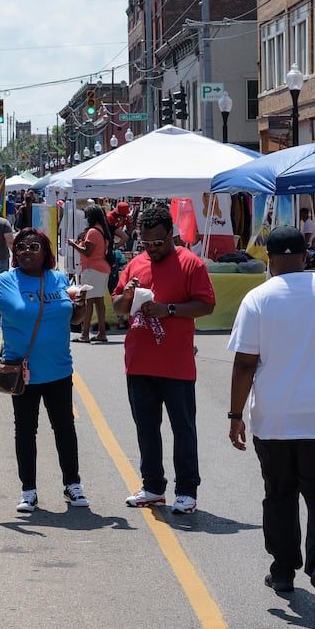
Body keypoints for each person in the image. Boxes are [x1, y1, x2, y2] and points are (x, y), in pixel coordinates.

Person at [228, 226, 315, 606]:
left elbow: (244, 364)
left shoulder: (258, 299)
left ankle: (283, 569)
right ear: (306, 257)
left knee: (280, 493)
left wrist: (234, 414)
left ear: (269, 259)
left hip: (274, 419)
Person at [0, 227, 86, 513]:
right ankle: (28, 490)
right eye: (21, 247)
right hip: (23, 372)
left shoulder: (58, 279)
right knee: (26, 430)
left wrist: (79, 305)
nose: (26, 251)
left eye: (34, 246)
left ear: (45, 252)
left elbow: (75, 320)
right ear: (14, 253)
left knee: (64, 428)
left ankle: (72, 484)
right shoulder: (5, 281)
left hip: (58, 370)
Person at [110, 205, 216, 514]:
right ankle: (153, 487)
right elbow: (117, 307)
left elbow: (206, 306)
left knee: (182, 428)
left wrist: (169, 310)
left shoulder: (191, 264)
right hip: (139, 363)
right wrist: (126, 296)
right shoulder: (135, 264)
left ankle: (187, 490)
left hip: (176, 365)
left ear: (171, 235)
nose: (152, 249)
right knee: (146, 427)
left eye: (158, 243)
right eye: (146, 243)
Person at [70, 205, 114, 343]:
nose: (85, 218)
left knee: (88, 301)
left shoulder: (92, 232)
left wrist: (73, 244)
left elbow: (87, 252)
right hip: (101, 268)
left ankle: (85, 334)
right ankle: (101, 333)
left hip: (92, 269)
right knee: (99, 301)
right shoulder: (102, 230)